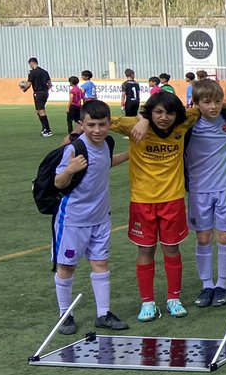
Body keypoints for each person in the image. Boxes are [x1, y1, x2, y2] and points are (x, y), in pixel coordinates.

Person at [110, 90, 198, 322]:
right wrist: (142, 119)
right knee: (145, 250)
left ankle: (173, 298)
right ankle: (147, 302)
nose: (164, 117)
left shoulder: (184, 122)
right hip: (142, 201)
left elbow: (207, 105)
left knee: (171, 249)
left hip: (173, 199)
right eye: (157, 112)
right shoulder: (133, 126)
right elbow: (97, 122)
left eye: (169, 113)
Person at [51, 99, 130, 335]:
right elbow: (58, 183)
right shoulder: (74, 148)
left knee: (100, 263)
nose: (97, 130)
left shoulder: (108, 143)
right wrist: (69, 170)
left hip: (101, 216)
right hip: (73, 219)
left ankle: (103, 313)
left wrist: (131, 154)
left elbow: (105, 164)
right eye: (91, 125)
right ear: (81, 125)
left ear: (109, 124)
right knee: (67, 266)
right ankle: (65, 315)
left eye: (102, 124)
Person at [184, 79, 226, 308]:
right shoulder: (188, 123)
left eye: (217, 101)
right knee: (203, 237)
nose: (213, 107)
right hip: (199, 190)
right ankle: (207, 285)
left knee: (225, 236)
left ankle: (222, 285)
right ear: (196, 103)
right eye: (206, 102)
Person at [25, 57, 53, 137]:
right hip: (45, 93)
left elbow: (29, 84)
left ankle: (48, 130)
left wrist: (24, 89)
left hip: (38, 93)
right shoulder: (45, 72)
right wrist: (45, 91)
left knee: (41, 111)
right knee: (37, 111)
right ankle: (44, 128)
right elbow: (50, 84)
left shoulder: (32, 72)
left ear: (31, 63)